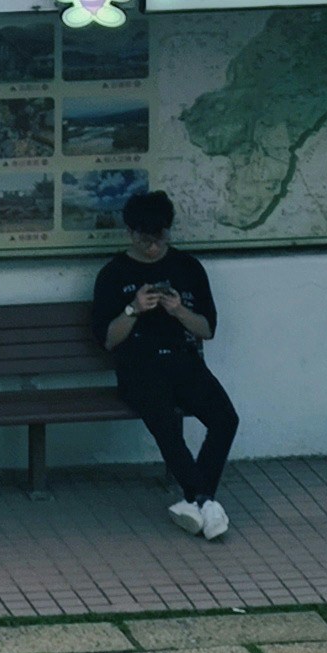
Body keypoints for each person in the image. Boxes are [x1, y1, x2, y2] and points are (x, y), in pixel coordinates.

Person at [90, 190, 236, 539]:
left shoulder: (188, 268)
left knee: (225, 418)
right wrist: (133, 309)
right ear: (130, 233)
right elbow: (109, 339)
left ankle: (196, 501)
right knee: (165, 423)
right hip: (138, 364)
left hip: (183, 359)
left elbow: (207, 330)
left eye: (160, 237)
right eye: (145, 239)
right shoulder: (113, 274)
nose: (154, 247)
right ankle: (205, 501)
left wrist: (179, 310)